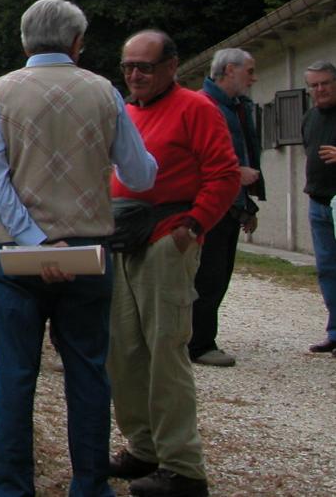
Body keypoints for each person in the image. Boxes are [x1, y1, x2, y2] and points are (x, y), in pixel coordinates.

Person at [0, 0, 157, 497]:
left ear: (24, 40)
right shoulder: (104, 92)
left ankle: (7, 486)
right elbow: (139, 174)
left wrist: (35, 240)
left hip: (16, 252)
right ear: (78, 42)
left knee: (14, 373)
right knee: (87, 371)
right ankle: (90, 484)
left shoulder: (0, 92)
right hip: (88, 249)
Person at [107, 30, 240, 497]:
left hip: (168, 237)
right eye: (127, 67)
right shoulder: (126, 112)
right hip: (123, 240)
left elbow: (224, 173)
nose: (135, 75)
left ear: (171, 67)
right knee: (123, 352)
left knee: (166, 352)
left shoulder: (196, 108)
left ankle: (183, 469)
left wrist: (196, 224)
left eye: (144, 66)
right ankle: (143, 448)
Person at [191, 48, 265, 366]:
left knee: (219, 276)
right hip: (208, 205)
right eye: (249, 71)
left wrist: (246, 205)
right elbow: (199, 158)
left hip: (229, 204)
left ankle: (199, 339)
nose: (253, 78)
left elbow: (243, 151)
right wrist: (237, 175)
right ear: (230, 70)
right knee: (207, 277)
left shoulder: (237, 107)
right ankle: (198, 344)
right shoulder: (202, 106)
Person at [301, 60, 336, 354]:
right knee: (327, 270)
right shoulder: (310, 117)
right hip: (318, 202)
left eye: (325, 83)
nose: (320, 89)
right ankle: (335, 332)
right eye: (314, 85)